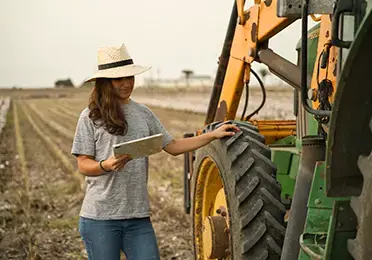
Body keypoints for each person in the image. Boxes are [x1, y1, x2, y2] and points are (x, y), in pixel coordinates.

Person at [71, 43, 240, 260]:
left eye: (130, 77)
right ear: (106, 83)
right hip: (100, 219)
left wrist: (212, 135)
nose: (127, 83)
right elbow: (83, 164)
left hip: (138, 217)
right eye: (119, 79)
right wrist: (105, 165)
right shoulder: (90, 116)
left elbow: (174, 146)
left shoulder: (143, 114)